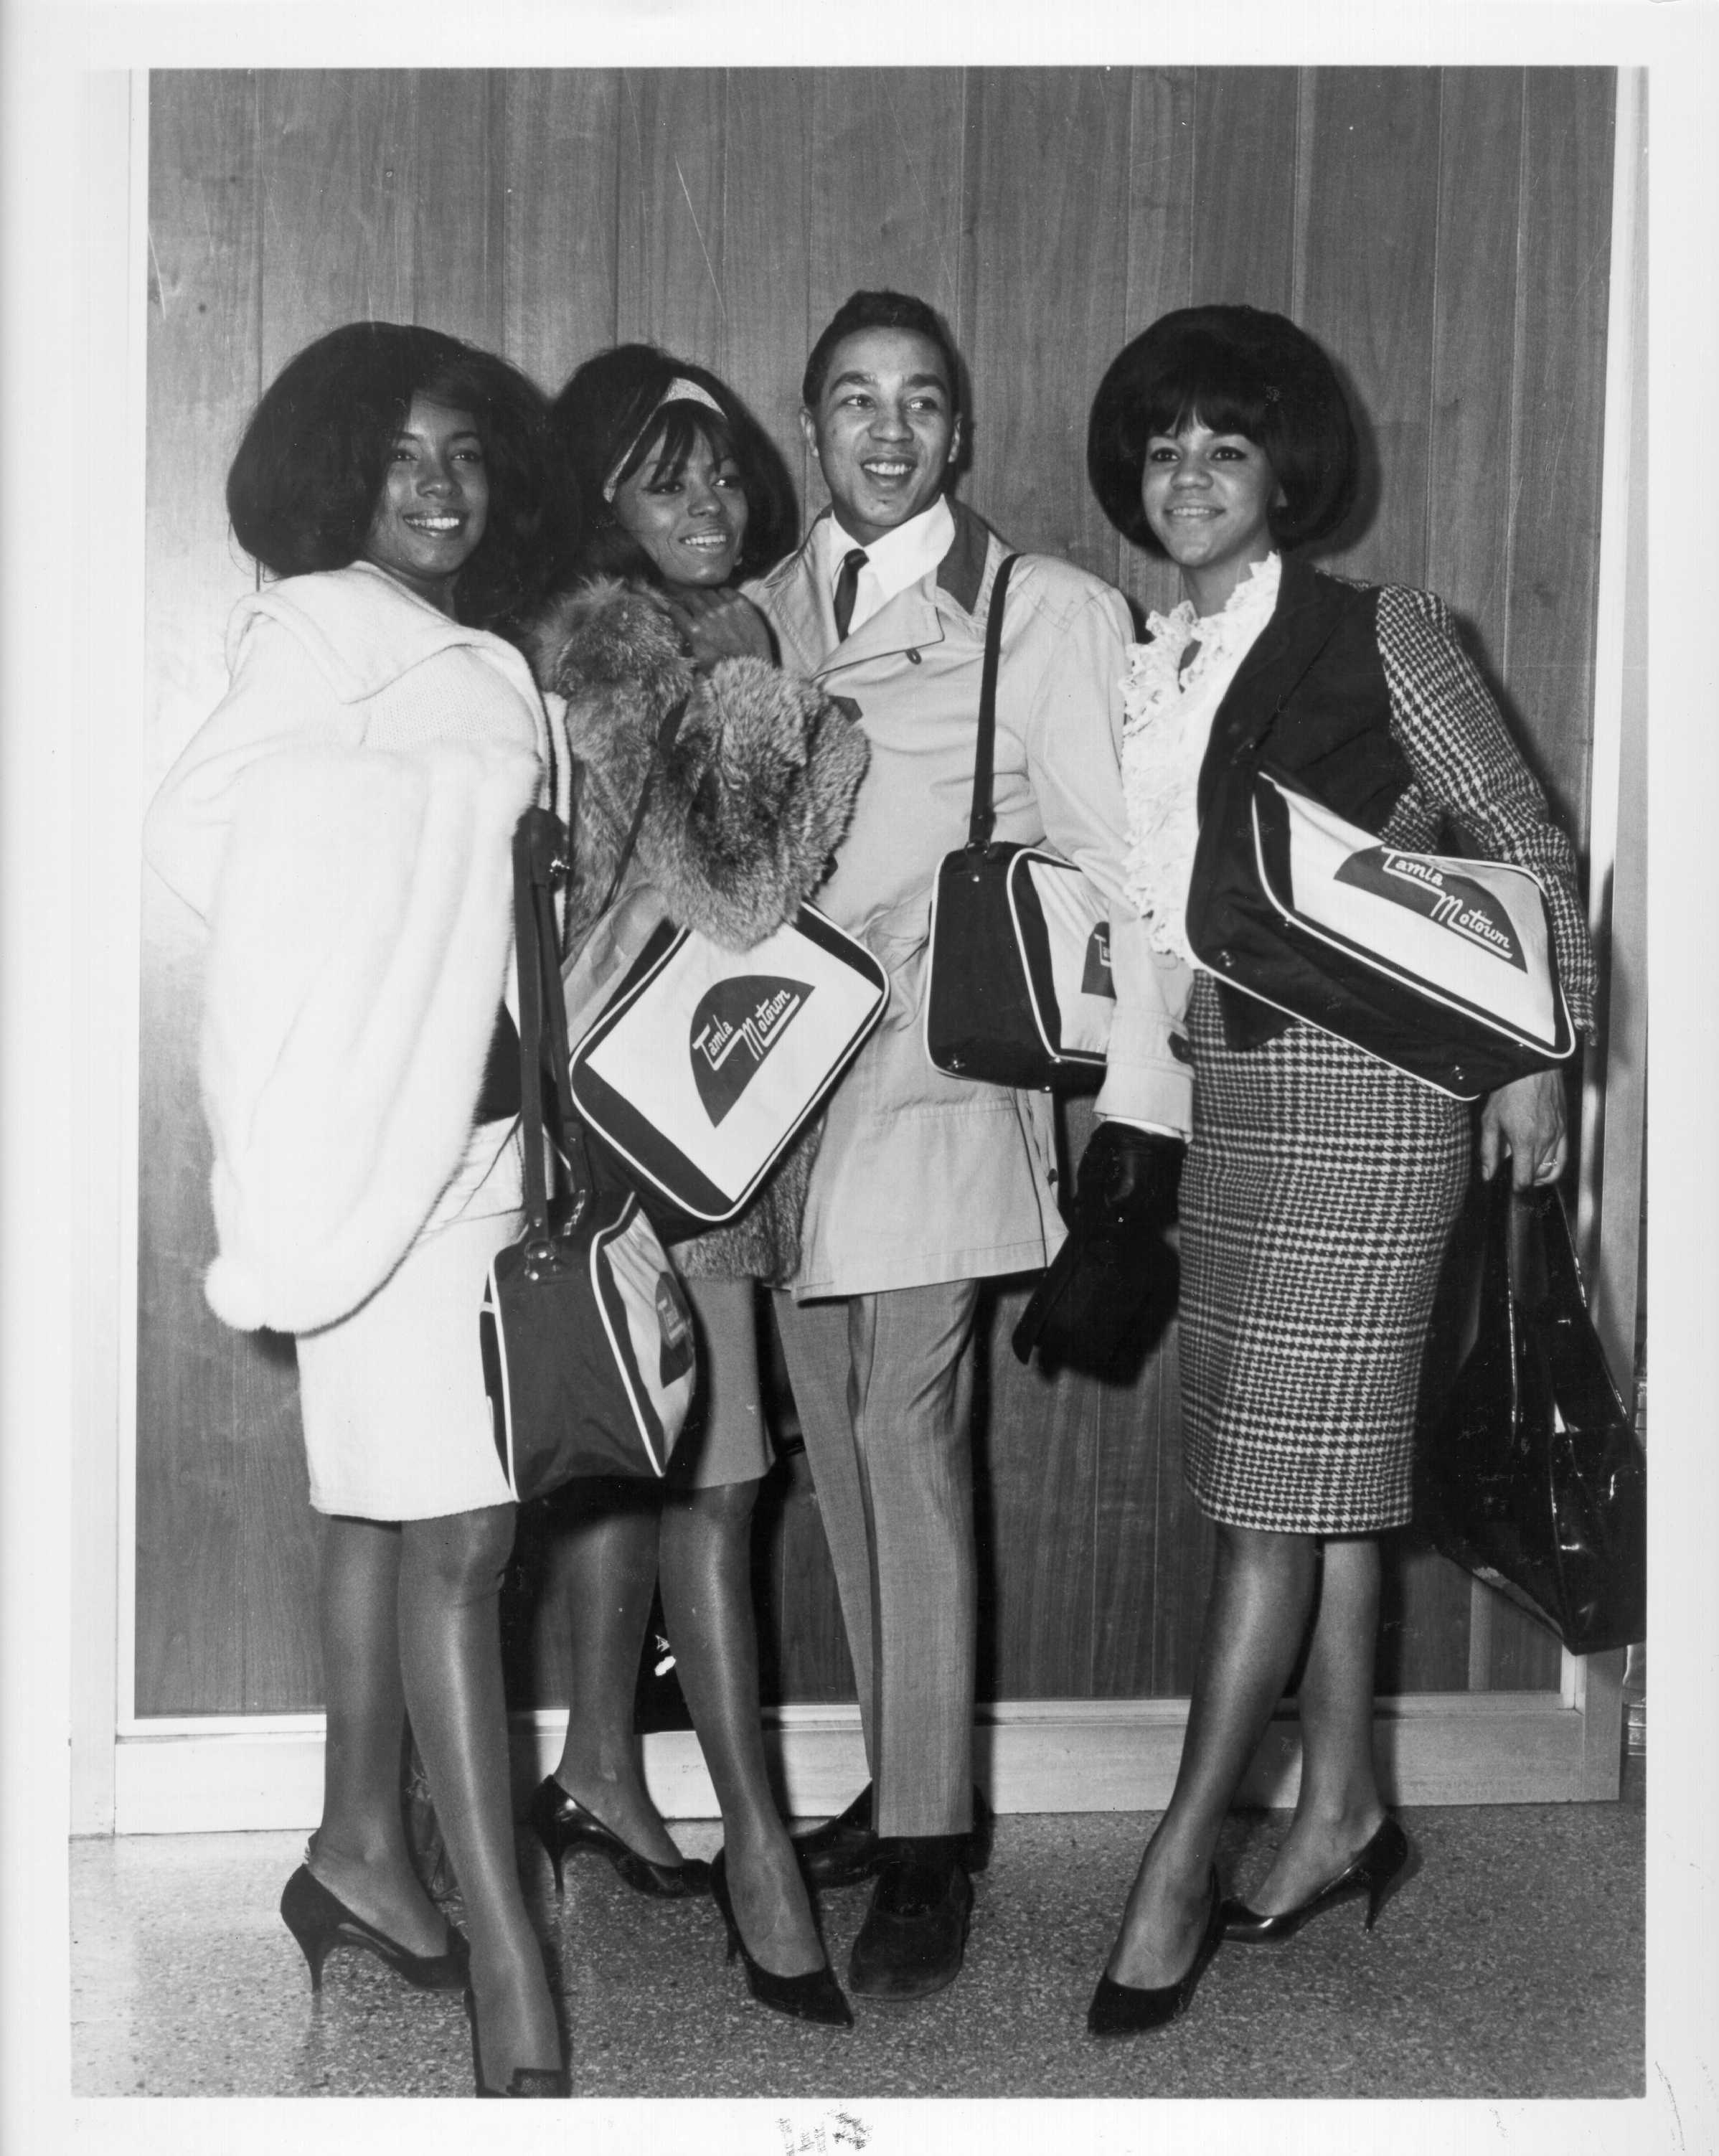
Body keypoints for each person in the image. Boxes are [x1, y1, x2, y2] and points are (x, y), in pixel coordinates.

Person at [1079, 303, 1596, 2034]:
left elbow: (1521, 843)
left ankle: (1176, 1863)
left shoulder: (1384, 632)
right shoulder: (1155, 659)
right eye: (1164, 447)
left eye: (1227, 446)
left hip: (1374, 1106)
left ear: (1283, 469)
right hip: (1235, 1108)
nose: (1191, 475)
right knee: (1314, 1478)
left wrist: (1535, 1055)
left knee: (1265, 1509)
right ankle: (1343, 1813)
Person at [746, 290, 1195, 2000]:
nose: (884, 433)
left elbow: (1122, 887)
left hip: (934, 1080)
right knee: (835, 1444)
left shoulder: (1042, 610)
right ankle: (898, 1769)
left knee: (902, 1423)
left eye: (919, 405)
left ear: (961, 434)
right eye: (851, 400)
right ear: (810, 427)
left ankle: (929, 1846)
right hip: (769, 1098)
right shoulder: (761, 614)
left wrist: (1131, 1150)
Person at [143, 321, 575, 2096]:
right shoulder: (309, 625)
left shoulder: (488, 652)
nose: (440, 487)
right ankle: (514, 1976)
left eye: (466, 454)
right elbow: (199, 833)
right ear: (339, 473)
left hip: (483, 1154)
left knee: (395, 1515)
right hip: (376, 1143)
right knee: (463, 1532)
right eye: (402, 457)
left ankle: (358, 1854)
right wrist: (449, 814)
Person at [524, 347, 869, 2025]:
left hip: (687, 1104)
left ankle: (600, 1764)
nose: (710, 502)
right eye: (667, 477)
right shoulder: (626, 648)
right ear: (601, 501)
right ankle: (759, 1855)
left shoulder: (661, 634)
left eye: (725, 472)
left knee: (645, 1463)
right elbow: (740, 900)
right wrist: (811, 717)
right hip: (662, 1122)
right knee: (717, 1481)